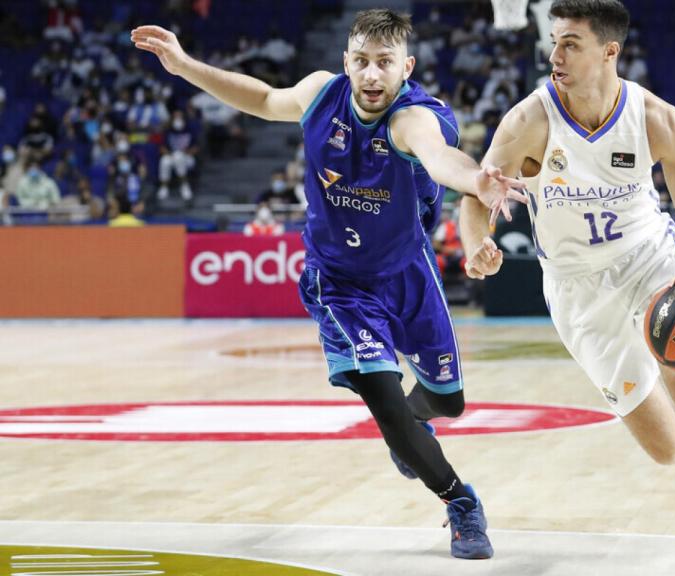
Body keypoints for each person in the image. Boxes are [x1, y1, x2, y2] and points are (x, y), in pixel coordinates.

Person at [132, 9, 523, 560]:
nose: (370, 75)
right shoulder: (321, 94)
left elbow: (439, 159)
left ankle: (412, 431)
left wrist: (476, 180)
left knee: (447, 401)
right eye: (361, 61)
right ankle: (460, 502)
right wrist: (186, 66)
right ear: (345, 61)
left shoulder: (412, 119)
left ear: (405, 68)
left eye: (384, 64)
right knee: (382, 396)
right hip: (338, 283)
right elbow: (265, 99)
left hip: (408, 273)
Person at [458, 1, 675, 573]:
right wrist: (475, 243)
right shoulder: (528, 120)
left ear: (610, 51)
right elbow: (475, 195)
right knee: (665, 448)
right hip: (576, 288)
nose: (555, 55)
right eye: (554, 42)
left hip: (649, 260)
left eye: (570, 44)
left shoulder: (657, 119)